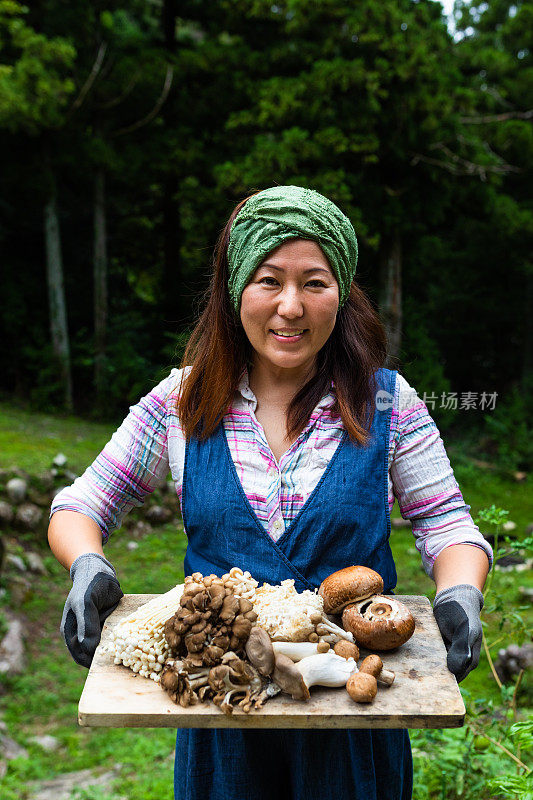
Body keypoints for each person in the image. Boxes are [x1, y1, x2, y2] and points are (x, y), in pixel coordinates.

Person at [48, 185, 493, 800]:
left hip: (351, 719)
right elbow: (82, 505)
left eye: (314, 282)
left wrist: (462, 590)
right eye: (268, 281)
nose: (291, 307)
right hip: (223, 710)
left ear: (341, 294)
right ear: (236, 293)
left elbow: (446, 524)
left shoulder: (389, 402)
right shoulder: (181, 402)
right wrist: (87, 562)